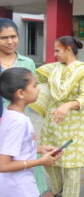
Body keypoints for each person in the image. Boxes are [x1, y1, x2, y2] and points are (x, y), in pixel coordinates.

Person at [30, 36, 84, 197]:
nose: (55, 54)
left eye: (57, 50)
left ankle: (70, 194)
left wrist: (67, 105)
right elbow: (32, 77)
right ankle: (56, 189)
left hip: (74, 125)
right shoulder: (53, 68)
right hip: (53, 122)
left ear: (68, 49)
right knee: (50, 159)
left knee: (71, 166)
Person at [0, 18, 49, 195]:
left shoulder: (27, 62)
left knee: (22, 160)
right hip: (6, 121)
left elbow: (31, 94)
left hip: (20, 118)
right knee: (6, 165)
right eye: (4, 37)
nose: (10, 41)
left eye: (13, 36)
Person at [0, 67, 62, 197]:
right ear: (21, 93)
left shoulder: (10, 112)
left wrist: (39, 149)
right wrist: (41, 161)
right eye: (34, 86)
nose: (38, 88)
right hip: (18, 188)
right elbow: (3, 165)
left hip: (16, 185)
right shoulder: (18, 122)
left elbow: (14, 148)